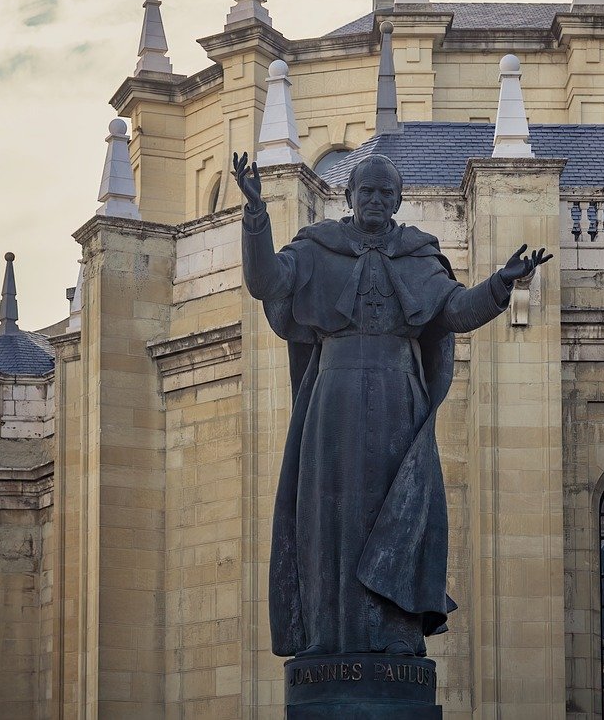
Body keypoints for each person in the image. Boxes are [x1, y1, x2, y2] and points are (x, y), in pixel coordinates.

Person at [234, 151, 552, 657]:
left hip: (398, 399)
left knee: (401, 514)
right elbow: (266, 282)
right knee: (329, 518)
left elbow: (455, 310)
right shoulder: (317, 248)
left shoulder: (419, 255)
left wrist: (499, 284)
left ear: (400, 200)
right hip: (333, 398)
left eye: (386, 192)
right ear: (350, 196)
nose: (377, 200)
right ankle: (327, 636)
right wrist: (256, 216)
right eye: (368, 191)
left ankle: (396, 637)